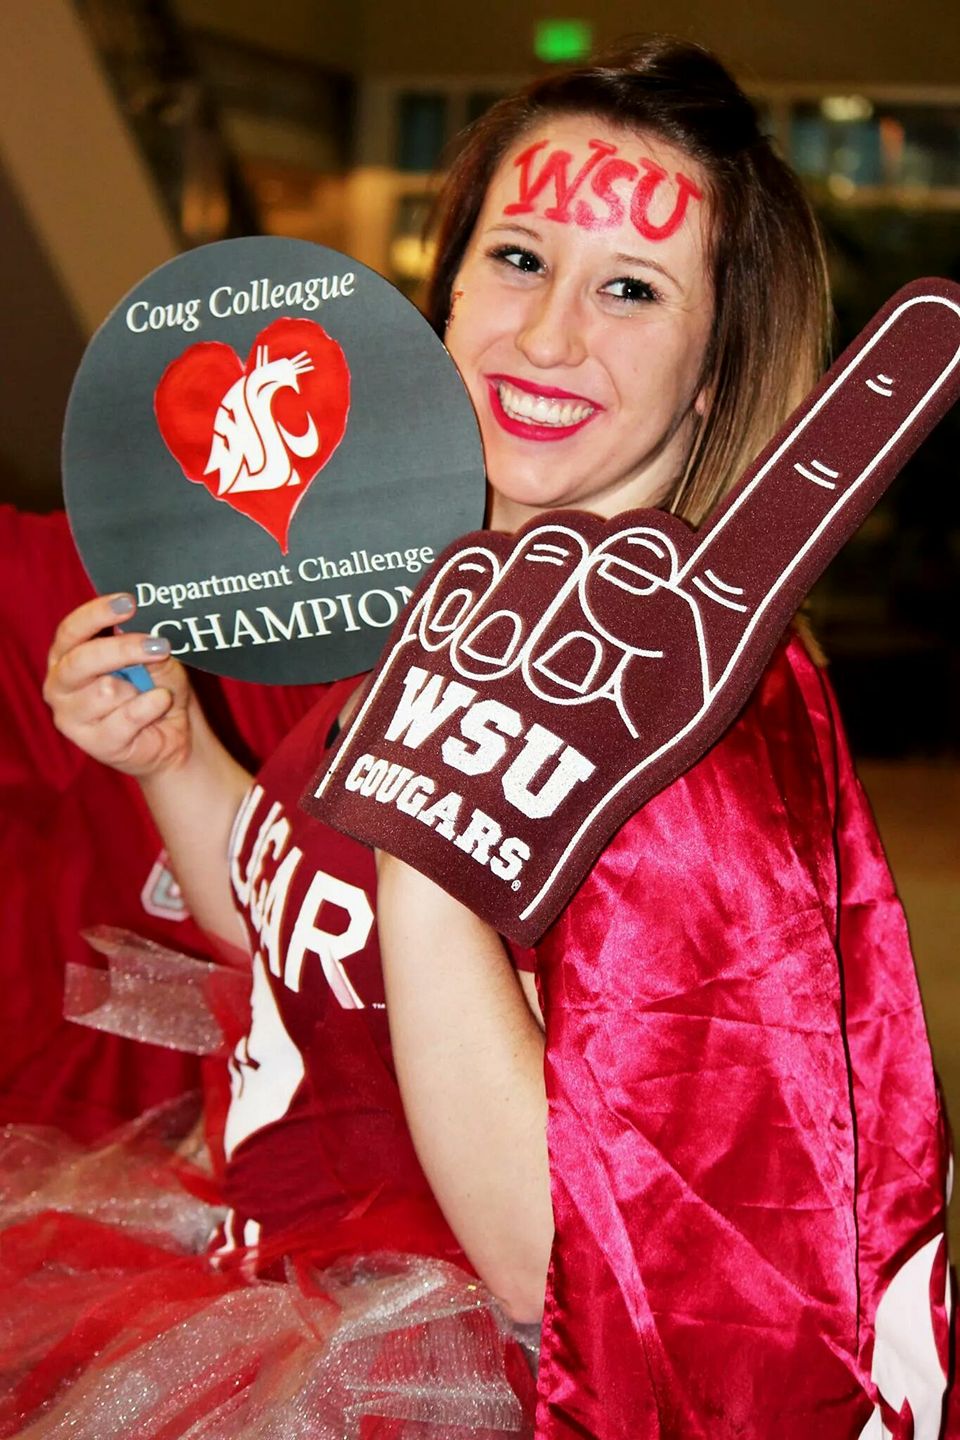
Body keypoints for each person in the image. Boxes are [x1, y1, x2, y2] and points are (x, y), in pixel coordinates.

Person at [27, 33, 952, 1440]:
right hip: (254, 1278)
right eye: (519, 260)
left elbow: (566, 1271)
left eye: (631, 289)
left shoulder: (695, 720)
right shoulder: (442, 592)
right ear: (440, 291)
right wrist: (174, 761)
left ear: (712, 374)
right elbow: (302, 935)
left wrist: (432, 815)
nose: (548, 337)